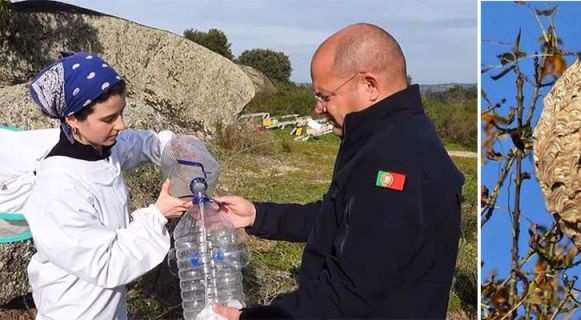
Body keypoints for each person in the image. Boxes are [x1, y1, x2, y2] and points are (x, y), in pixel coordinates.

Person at [213, 23, 465, 319]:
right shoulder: (383, 139)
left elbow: (349, 295)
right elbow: (342, 219)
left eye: (325, 96)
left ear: (370, 86)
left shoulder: (398, 164)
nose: (318, 108)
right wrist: (257, 215)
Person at [21, 52, 191, 320]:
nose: (121, 125)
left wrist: (173, 145)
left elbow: (138, 144)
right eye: (108, 119)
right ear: (73, 119)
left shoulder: (100, 148)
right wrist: (157, 215)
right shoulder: (57, 188)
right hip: (75, 311)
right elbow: (107, 262)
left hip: (109, 309)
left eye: (121, 113)